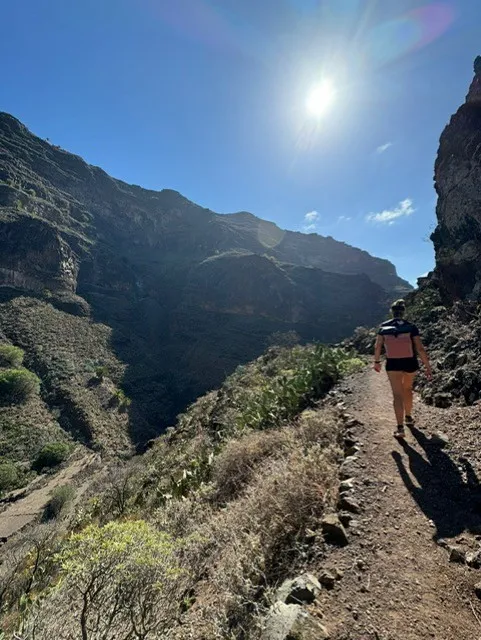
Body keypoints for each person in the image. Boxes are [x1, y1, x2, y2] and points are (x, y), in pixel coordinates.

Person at [373, 299, 432, 439]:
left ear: (392, 312)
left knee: (397, 395)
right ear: (403, 312)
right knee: (408, 389)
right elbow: (420, 348)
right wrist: (427, 366)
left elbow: (377, 346)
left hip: (393, 364)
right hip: (410, 363)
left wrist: (376, 362)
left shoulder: (383, 327)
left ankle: (400, 428)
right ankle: (409, 417)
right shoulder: (411, 327)